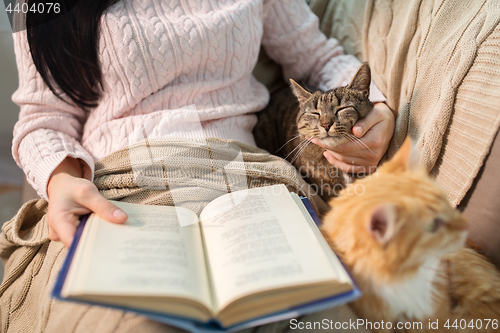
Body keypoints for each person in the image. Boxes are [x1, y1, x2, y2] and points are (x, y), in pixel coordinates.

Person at [11, 0, 394, 248]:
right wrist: (60, 179)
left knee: (310, 309)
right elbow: (44, 118)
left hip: (250, 171)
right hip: (119, 181)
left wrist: (375, 109)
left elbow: (319, 61)